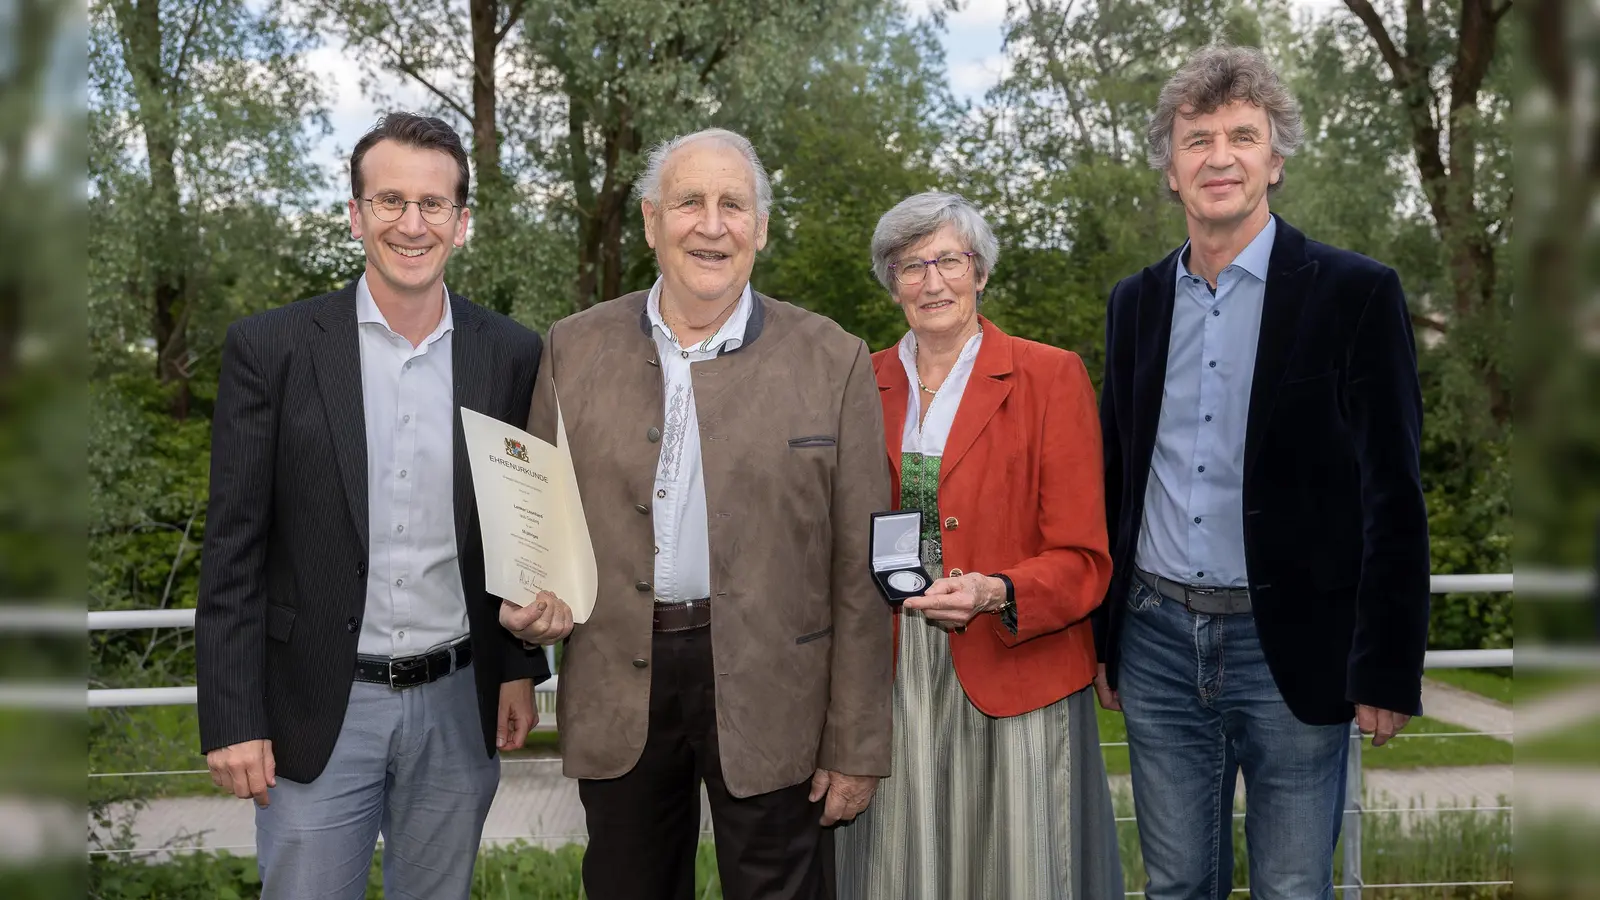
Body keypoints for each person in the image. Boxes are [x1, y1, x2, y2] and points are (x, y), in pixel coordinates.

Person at [501, 127, 893, 900]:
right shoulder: (572, 348)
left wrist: (855, 741)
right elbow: (534, 529)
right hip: (616, 676)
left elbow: (860, 569)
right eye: (689, 202)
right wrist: (532, 606)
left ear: (761, 228)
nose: (712, 225)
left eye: (732, 205)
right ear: (652, 221)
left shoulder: (833, 359)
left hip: (778, 691)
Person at [1094, 45, 1432, 900]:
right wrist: (1104, 637)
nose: (1220, 157)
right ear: (1170, 168)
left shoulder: (1356, 294)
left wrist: (1387, 667)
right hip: (1156, 643)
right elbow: (1117, 477)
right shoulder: (1134, 303)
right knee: (1176, 885)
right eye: (1197, 139)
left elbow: (1394, 495)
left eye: (1242, 136)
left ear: (1274, 161)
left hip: (1295, 648)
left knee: (1291, 888)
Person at [195, 112, 550, 900]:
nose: (412, 224)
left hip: (459, 703)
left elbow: (515, 526)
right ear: (356, 215)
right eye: (390, 201)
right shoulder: (272, 348)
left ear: (462, 223)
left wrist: (519, 670)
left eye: (433, 204)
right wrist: (232, 716)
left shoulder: (512, 353)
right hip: (315, 707)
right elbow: (233, 548)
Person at [830, 191, 1122, 899]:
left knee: (1015, 872)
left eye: (949, 261)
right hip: (890, 673)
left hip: (1013, 660)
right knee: (897, 874)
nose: (931, 282)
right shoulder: (854, 382)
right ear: (892, 282)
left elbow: (1085, 558)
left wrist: (997, 591)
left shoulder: (1049, 376)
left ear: (981, 271)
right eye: (911, 266)